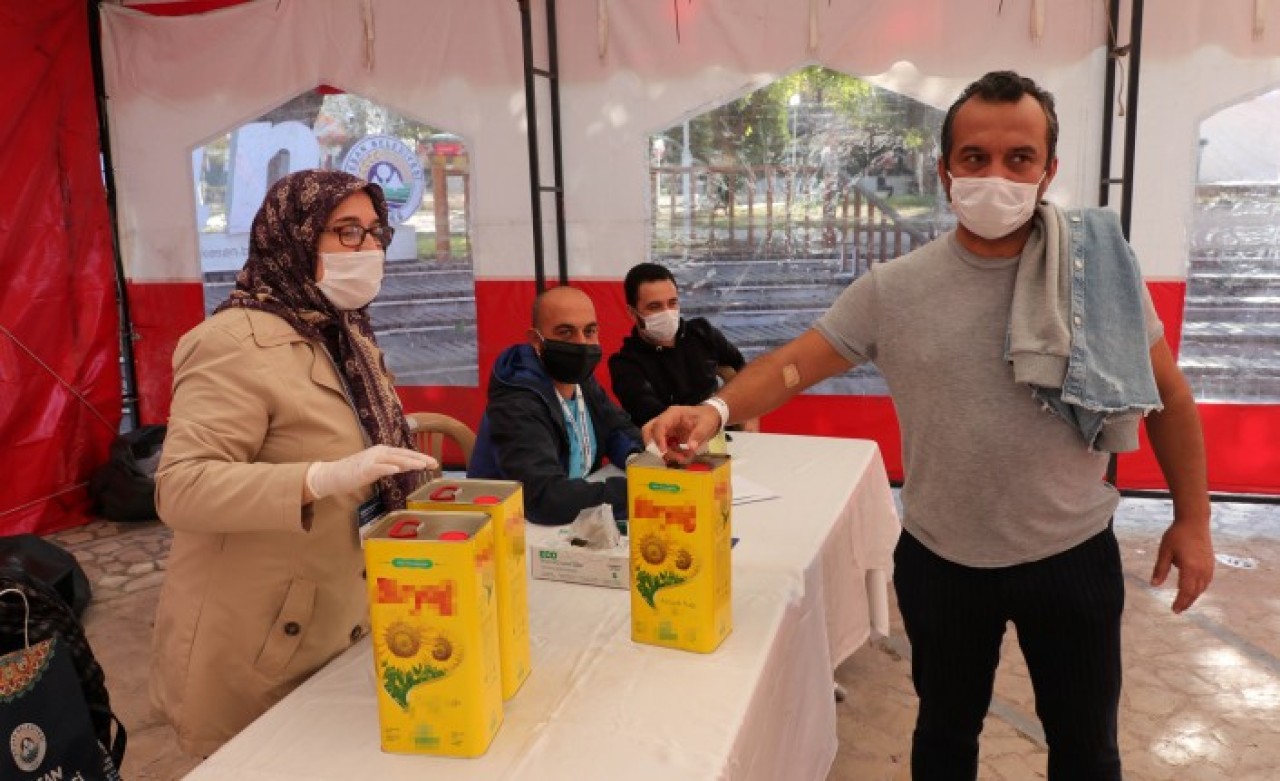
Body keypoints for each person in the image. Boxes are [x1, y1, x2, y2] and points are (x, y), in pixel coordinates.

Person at [643, 71, 1214, 780]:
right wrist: (715, 409)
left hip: (1071, 557)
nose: (996, 176)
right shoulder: (896, 289)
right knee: (945, 735)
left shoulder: (1097, 276)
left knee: (1087, 748)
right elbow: (796, 363)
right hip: (943, 562)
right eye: (975, 158)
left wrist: (1193, 519)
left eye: (1019, 158)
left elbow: (1171, 397)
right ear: (945, 171)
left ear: (1048, 171)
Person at [151, 170, 435, 756]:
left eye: (375, 232)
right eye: (346, 232)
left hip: (339, 614)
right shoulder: (231, 342)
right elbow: (180, 488)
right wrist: (318, 479)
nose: (369, 249)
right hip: (260, 636)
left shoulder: (343, 332)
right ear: (293, 237)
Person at [469, 286, 643, 524]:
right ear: (536, 341)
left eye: (590, 331)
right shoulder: (516, 402)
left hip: (566, 520)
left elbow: (616, 429)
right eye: (565, 332)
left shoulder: (581, 380)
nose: (581, 344)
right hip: (506, 529)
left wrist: (639, 460)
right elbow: (544, 499)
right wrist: (639, 492)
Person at [608, 263, 759, 431]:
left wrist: (749, 417)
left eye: (672, 303)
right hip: (668, 449)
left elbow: (741, 369)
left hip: (724, 441)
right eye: (655, 306)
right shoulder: (625, 365)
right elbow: (658, 418)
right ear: (632, 312)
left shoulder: (702, 333)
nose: (667, 312)